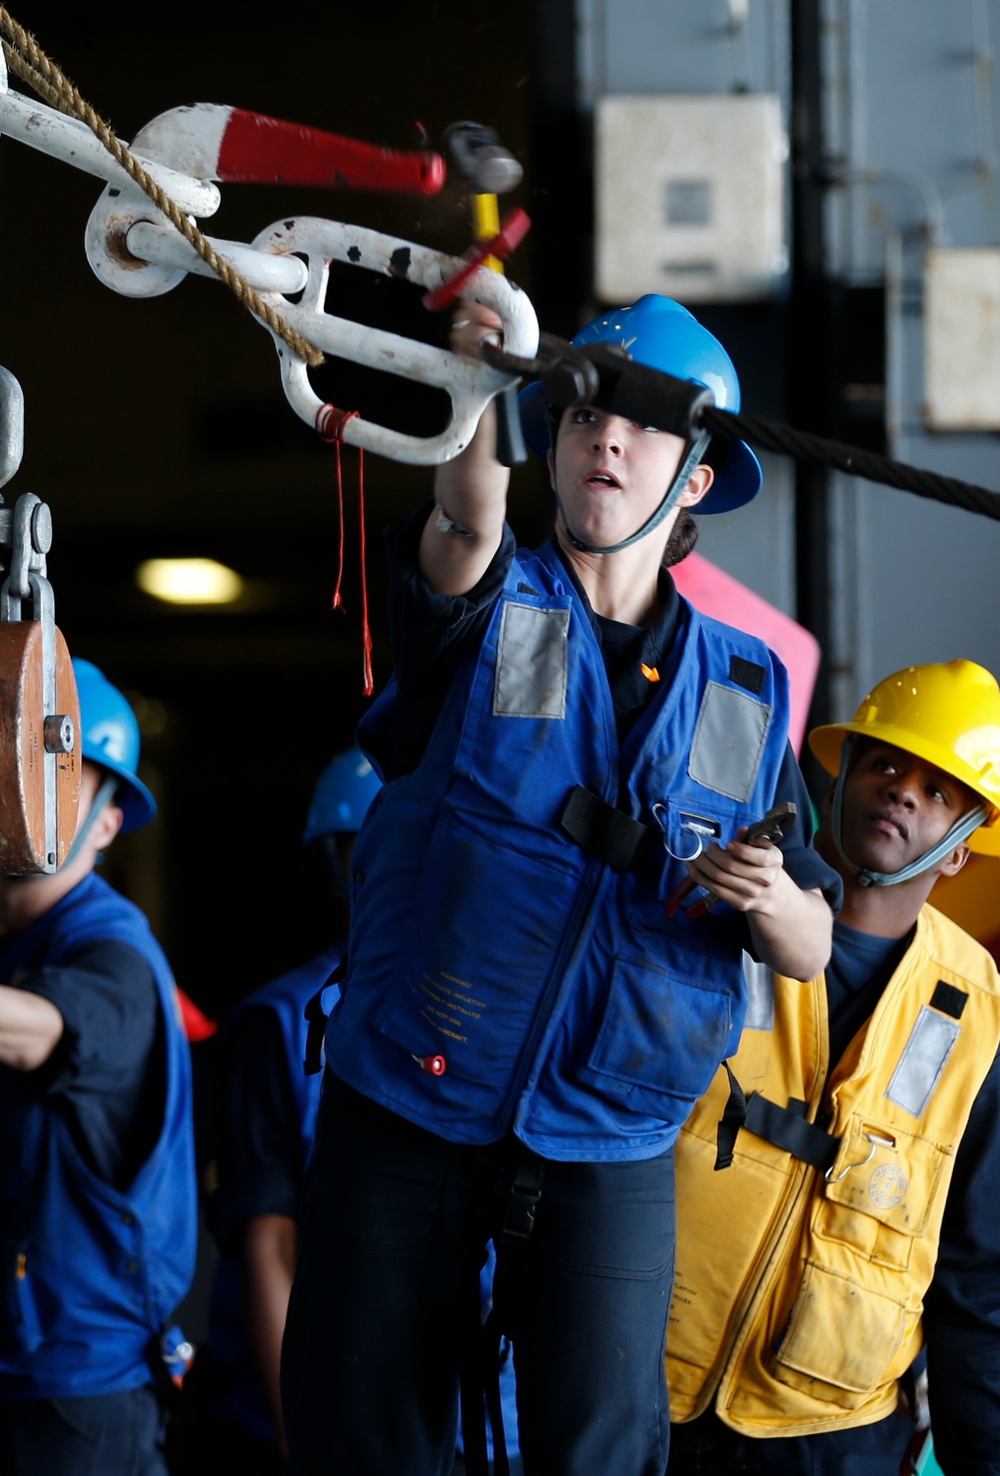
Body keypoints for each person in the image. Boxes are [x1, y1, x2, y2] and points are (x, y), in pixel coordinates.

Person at [282, 293, 839, 1476]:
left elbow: (807, 942)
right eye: (586, 413)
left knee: (599, 1451)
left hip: (611, 1136)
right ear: (552, 434)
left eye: (643, 428)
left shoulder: (743, 694)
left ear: (694, 480)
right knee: (362, 1442)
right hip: (409, 1108)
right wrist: (475, 386)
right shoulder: (483, 606)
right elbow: (463, 516)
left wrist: (768, 897)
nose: (609, 442)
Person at [665, 658, 1000, 1476]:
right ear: (839, 775)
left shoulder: (980, 1012)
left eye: (939, 790)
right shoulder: (721, 911)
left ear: (961, 851)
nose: (903, 792)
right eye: (885, 764)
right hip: (647, 1392)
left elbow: (979, 1273)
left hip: (832, 1434)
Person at [0, 658, 196, 1475]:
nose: (21, 791)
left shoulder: (112, 953)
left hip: (78, 1396)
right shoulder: (18, 944)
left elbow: (35, 1030)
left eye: (59, 777)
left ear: (110, 825)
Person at [193, 747, 380, 1473]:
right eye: (370, 848)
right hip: (313, 1412)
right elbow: (270, 1247)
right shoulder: (281, 1024)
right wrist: (301, 1447)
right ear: (337, 865)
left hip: (470, 1416)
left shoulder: (498, 1018)